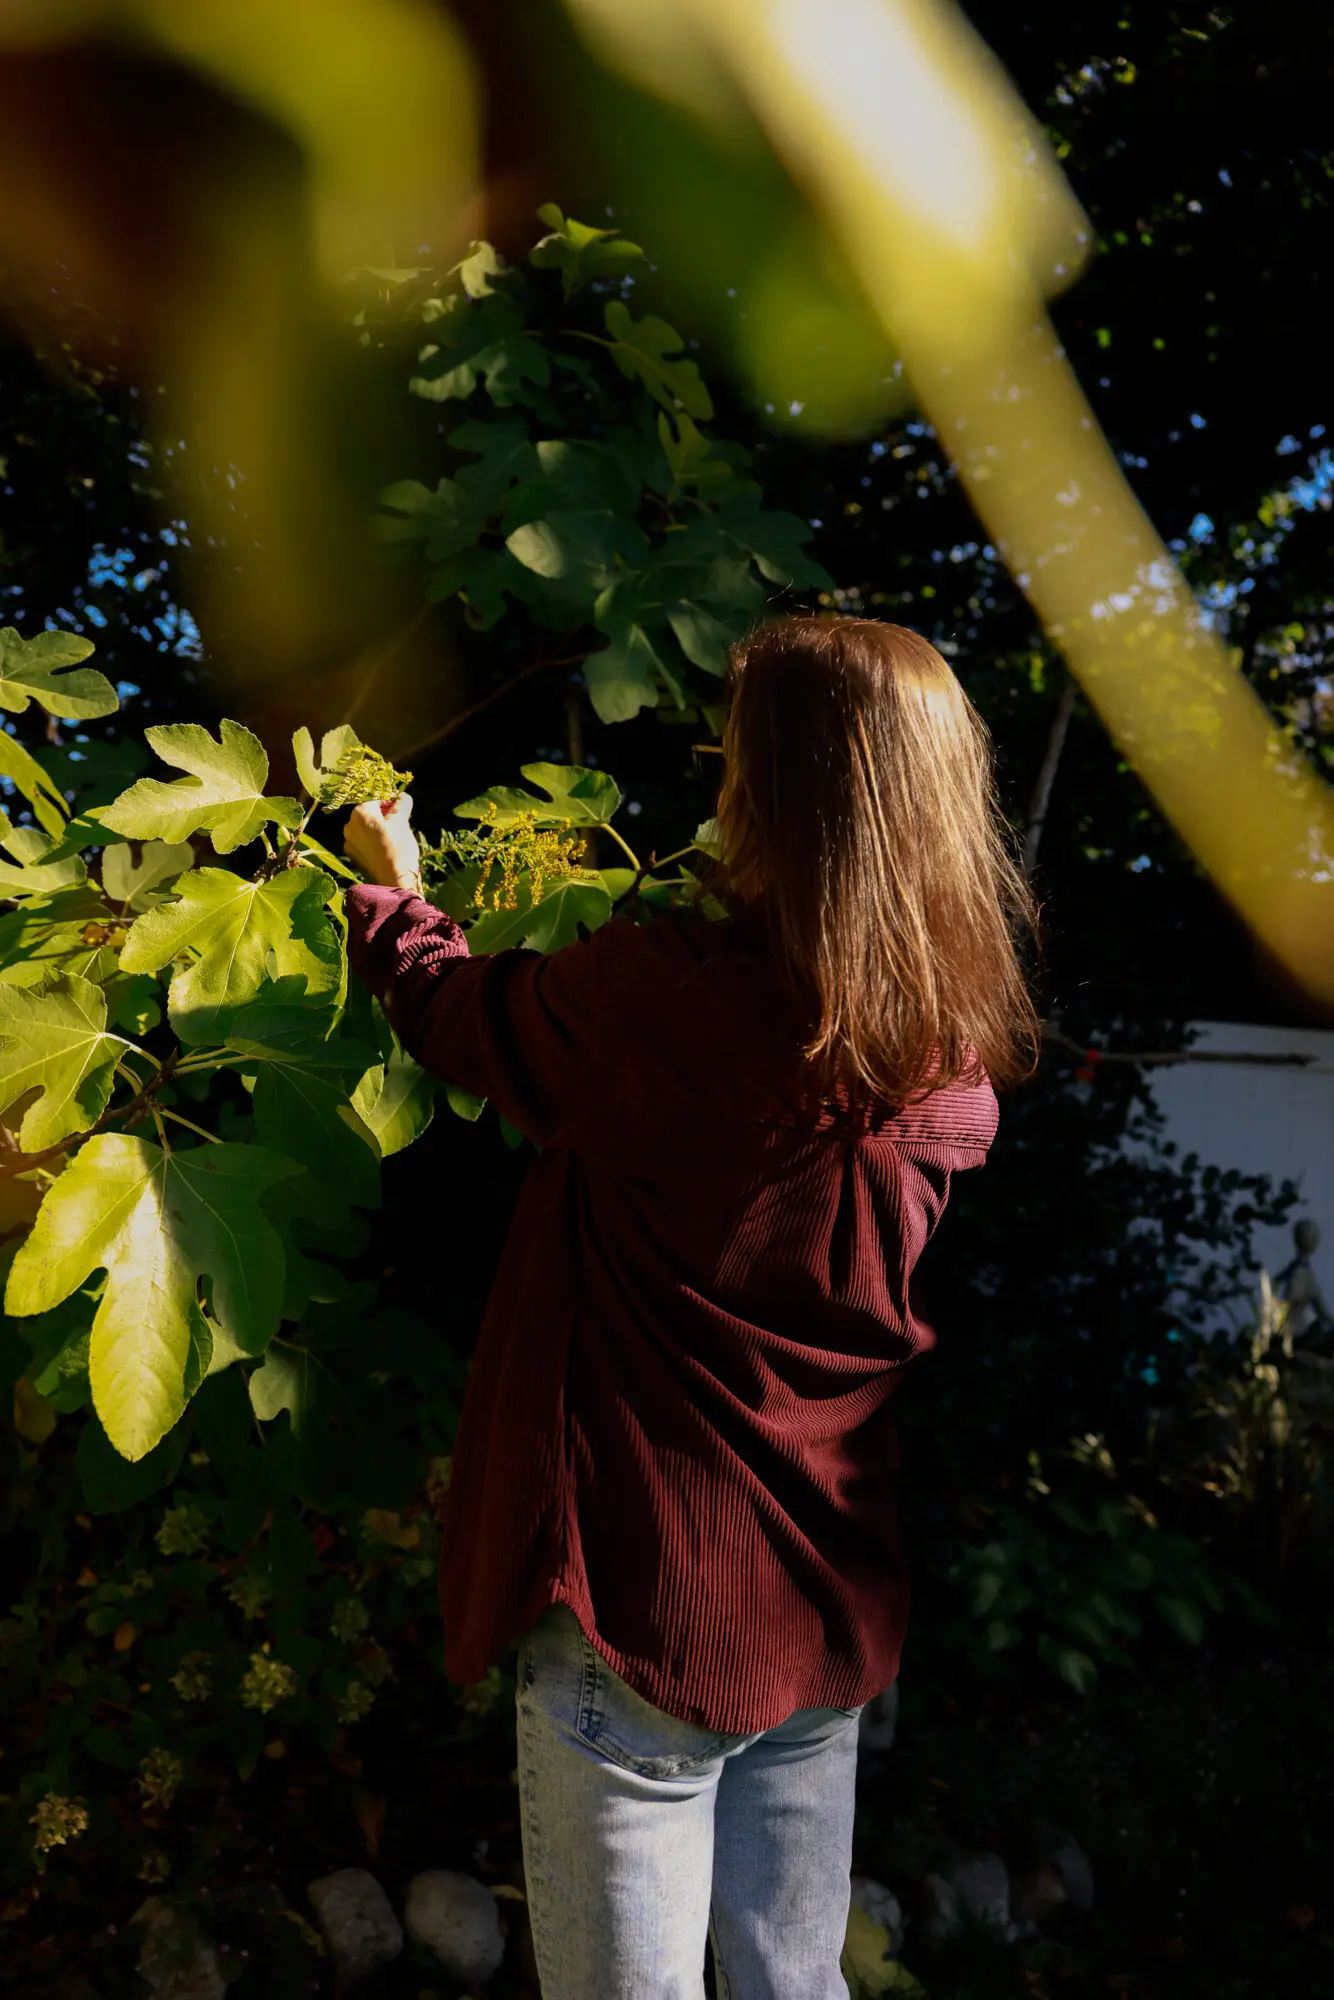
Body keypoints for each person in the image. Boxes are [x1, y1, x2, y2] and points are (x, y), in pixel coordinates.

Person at [342, 615, 1038, 2000]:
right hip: (817, 1606)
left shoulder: (667, 1001)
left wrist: (394, 888)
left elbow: (463, 1015)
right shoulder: (948, 1056)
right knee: (796, 1986)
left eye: (736, 753)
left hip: (643, 1603)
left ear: (775, 792)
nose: (718, 774)